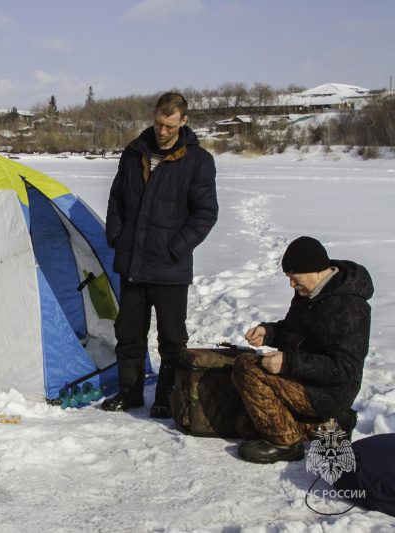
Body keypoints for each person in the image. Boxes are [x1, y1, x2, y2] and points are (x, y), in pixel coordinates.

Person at [104, 92, 218, 417]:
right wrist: (116, 234)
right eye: (158, 123)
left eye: (169, 125)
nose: (162, 131)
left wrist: (175, 248)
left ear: (183, 121)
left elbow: (205, 214)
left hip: (170, 268)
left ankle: (167, 397)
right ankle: (130, 394)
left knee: (171, 339)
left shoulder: (197, 161)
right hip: (132, 264)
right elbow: (116, 198)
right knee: (127, 334)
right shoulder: (134, 151)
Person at [232, 236, 373, 463]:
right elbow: (295, 331)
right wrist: (267, 332)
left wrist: (288, 362)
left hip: (329, 392)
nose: (291, 284)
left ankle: (285, 443)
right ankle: (330, 427)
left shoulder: (348, 308)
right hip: (306, 378)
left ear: (316, 271)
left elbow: (345, 367)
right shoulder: (310, 293)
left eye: (294, 278)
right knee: (245, 425)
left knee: (246, 367)